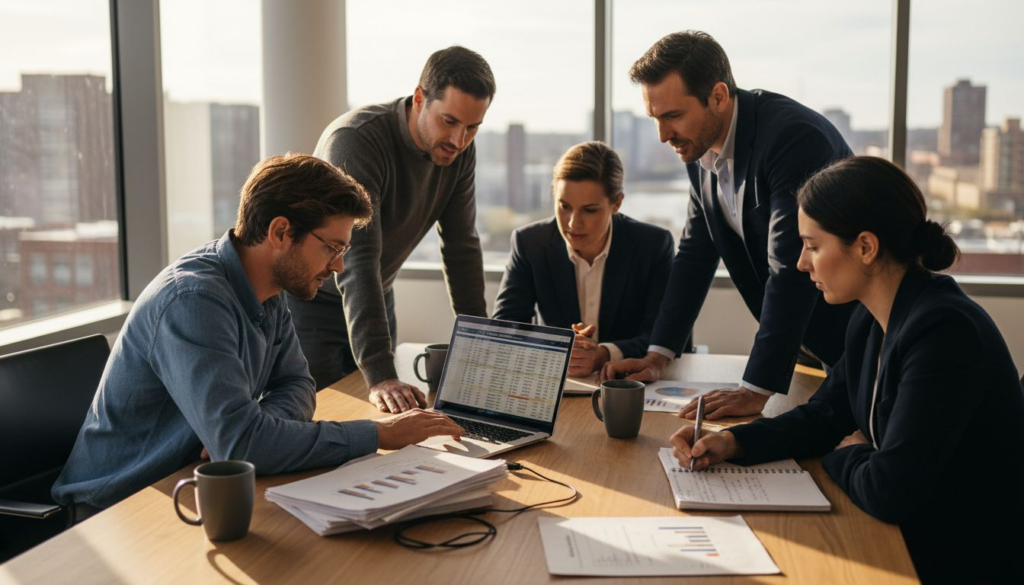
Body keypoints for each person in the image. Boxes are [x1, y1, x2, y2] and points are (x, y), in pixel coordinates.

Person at [670, 156, 1024, 583]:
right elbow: (825, 416)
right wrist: (731, 442)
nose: (802, 263)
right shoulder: (872, 317)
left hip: (956, 558)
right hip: (905, 536)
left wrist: (846, 454)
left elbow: (889, 490)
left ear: (866, 247)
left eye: (813, 246)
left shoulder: (944, 332)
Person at [52, 154, 464, 515]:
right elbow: (243, 446)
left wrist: (252, 434)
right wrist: (379, 434)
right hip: (119, 507)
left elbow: (298, 384)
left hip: (194, 486)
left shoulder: (266, 288)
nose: (338, 267)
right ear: (281, 233)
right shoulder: (193, 301)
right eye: (331, 248)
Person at [602, 31, 855, 418]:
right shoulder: (699, 152)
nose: (662, 135)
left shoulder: (792, 139)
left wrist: (756, 388)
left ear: (718, 96)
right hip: (804, 347)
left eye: (673, 116)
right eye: (655, 118)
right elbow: (693, 256)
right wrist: (657, 354)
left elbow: (789, 268)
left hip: (857, 339)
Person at [287, 46, 494, 415]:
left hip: (376, 296)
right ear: (419, 98)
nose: (459, 141)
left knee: (381, 417)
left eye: (472, 128)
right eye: (449, 121)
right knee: (319, 416)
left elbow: (461, 246)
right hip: (312, 300)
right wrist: (381, 372)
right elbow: (358, 258)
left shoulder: (459, 153)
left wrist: (478, 347)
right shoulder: (357, 140)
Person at [492, 141, 675, 377]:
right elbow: (506, 326)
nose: (572, 223)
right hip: (558, 386)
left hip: (629, 385)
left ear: (616, 203)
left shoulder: (653, 245)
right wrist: (559, 346)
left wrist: (605, 353)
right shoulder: (530, 243)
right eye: (564, 206)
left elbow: (663, 334)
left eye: (589, 210)